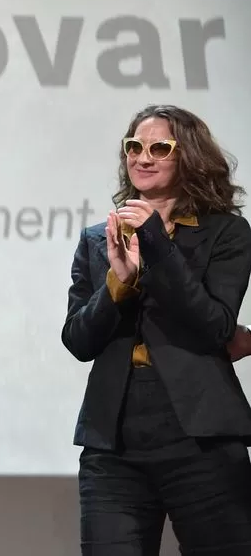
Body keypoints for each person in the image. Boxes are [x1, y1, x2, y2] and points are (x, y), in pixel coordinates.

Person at [61, 104, 251, 555]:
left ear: (189, 157)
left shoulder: (226, 232)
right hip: (113, 439)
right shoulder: (99, 238)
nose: (142, 158)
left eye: (159, 148)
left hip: (200, 436)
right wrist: (118, 283)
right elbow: (78, 340)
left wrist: (156, 243)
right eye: (134, 147)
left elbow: (214, 325)